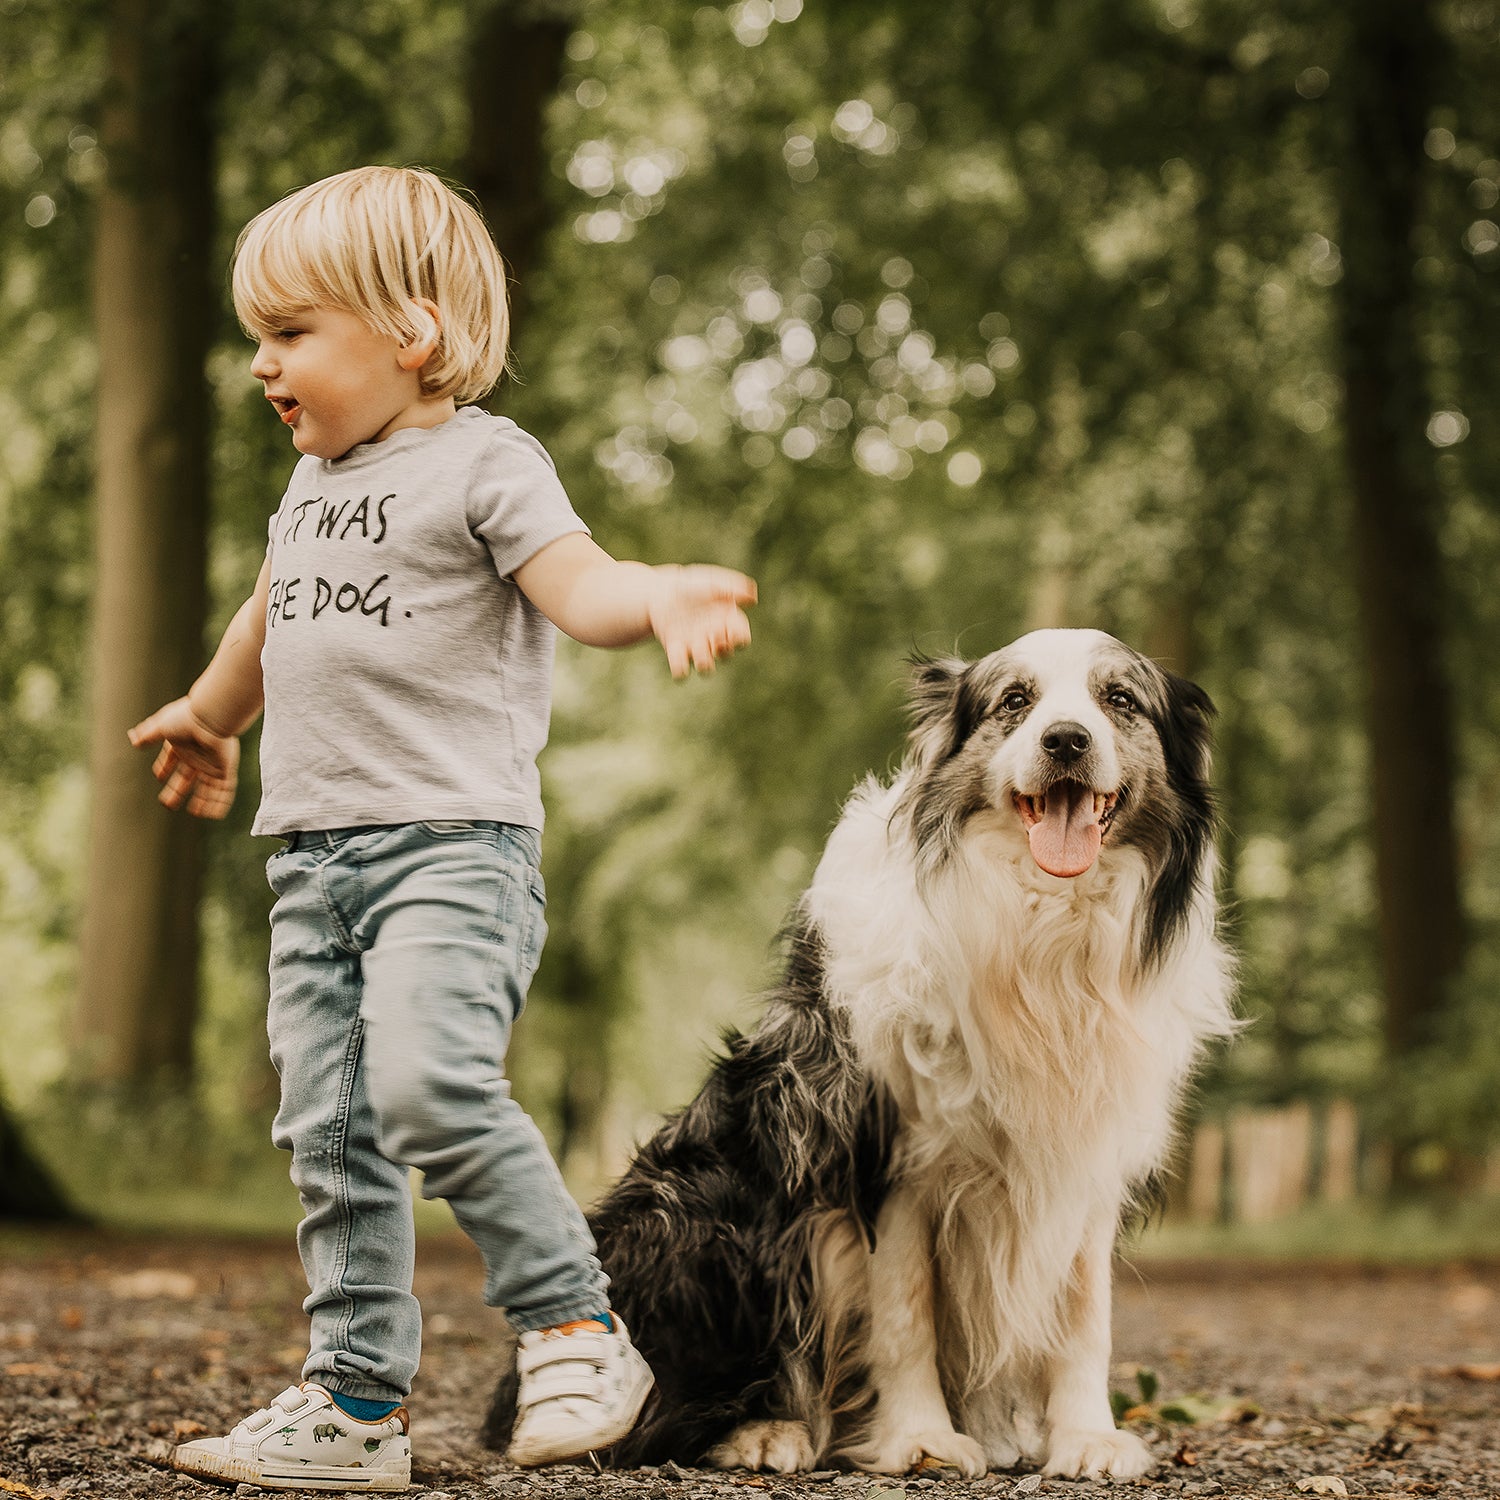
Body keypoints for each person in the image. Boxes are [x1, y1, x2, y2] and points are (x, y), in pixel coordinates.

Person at [128, 165, 756, 1493]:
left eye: (289, 332)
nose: (261, 364)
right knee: (331, 1132)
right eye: (256, 337)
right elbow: (270, 615)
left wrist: (654, 596)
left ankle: (579, 1329)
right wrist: (209, 714)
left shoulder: (486, 463)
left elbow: (578, 584)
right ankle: (354, 1404)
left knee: (428, 1088)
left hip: (452, 853)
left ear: (410, 332)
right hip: (312, 863)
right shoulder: (308, 488)